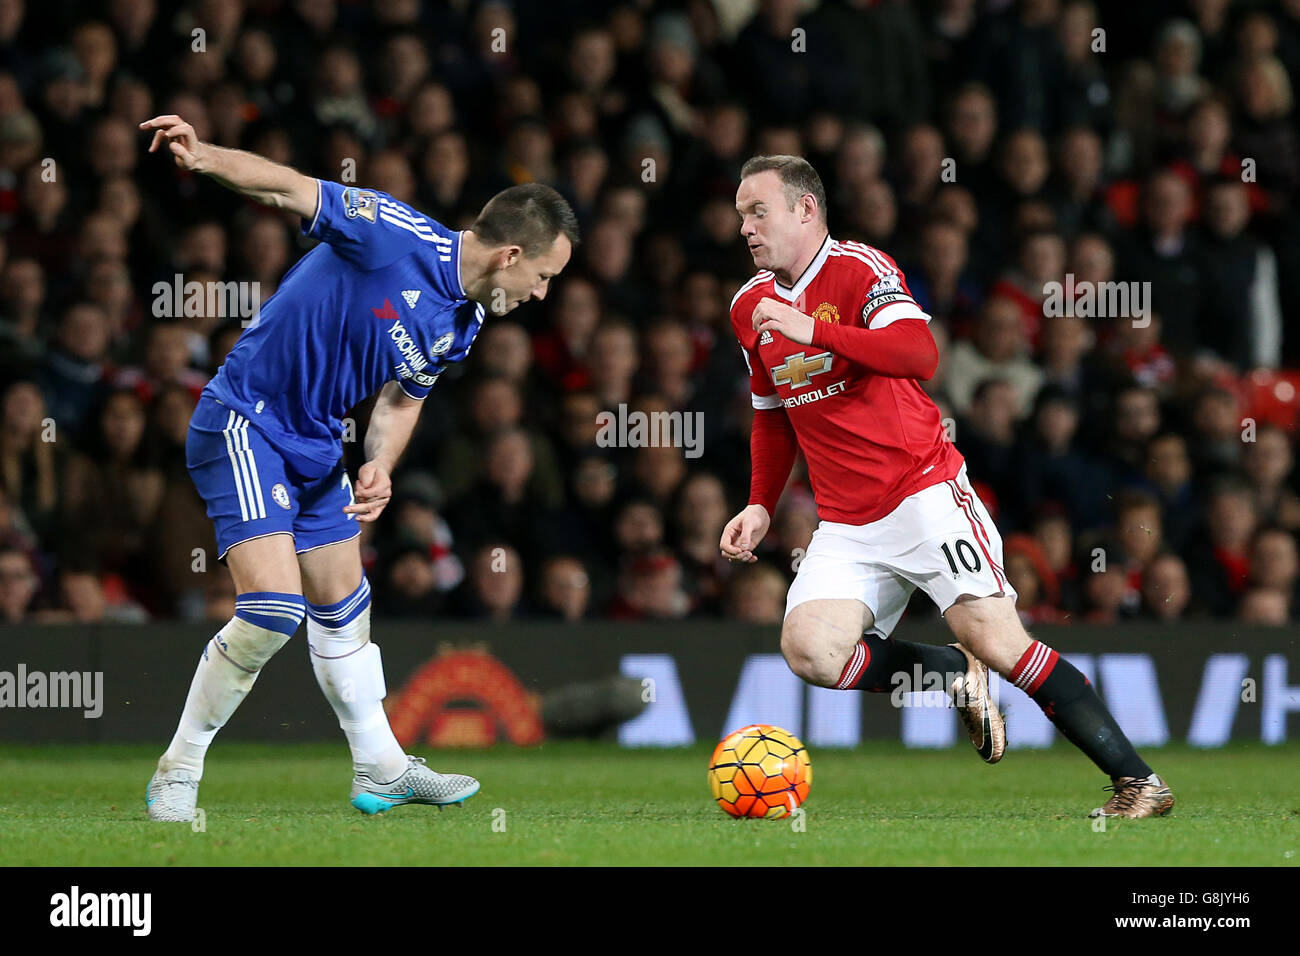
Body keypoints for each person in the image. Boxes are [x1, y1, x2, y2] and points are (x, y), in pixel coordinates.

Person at [138, 113, 577, 821]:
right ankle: (178, 770)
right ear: (511, 255)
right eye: (544, 275)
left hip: (315, 445)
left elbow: (402, 401)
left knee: (345, 610)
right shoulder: (393, 233)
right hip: (244, 422)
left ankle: (379, 767)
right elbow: (289, 189)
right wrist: (204, 155)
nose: (542, 294)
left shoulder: (462, 322)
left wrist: (380, 463)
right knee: (274, 611)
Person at [718, 155, 1173, 819]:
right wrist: (760, 503)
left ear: (805, 209)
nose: (746, 228)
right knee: (811, 651)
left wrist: (813, 329)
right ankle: (950, 674)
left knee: (997, 638)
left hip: (922, 492)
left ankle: (1139, 783)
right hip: (846, 522)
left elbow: (919, 353)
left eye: (758, 211)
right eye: (739, 216)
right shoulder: (747, 306)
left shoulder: (861, 269)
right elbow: (770, 415)